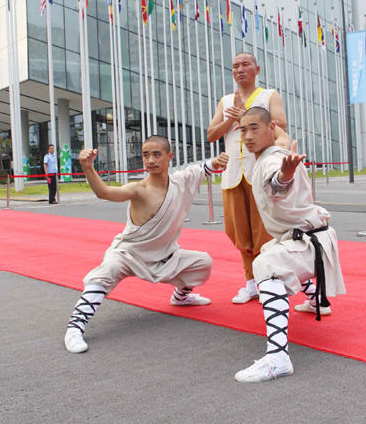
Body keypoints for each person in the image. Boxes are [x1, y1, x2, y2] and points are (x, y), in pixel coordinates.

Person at [64, 135, 229, 354]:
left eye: (156, 154)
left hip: (166, 256)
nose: (150, 160)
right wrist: (88, 168)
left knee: (203, 262)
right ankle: (75, 327)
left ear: (170, 157)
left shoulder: (180, 180)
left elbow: (203, 168)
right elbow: (104, 192)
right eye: (145, 154)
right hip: (128, 254)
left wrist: (218, 161)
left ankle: (181, 297)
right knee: (105, 272)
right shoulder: (138, 189)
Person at [234, 107, 345, 382]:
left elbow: (278, 183)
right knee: (270, 250)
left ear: (271, 128)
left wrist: (284, 176)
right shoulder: (268, 155)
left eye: (254, 128)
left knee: (265, 265)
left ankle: (278, 357)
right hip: (306, 238)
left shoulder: (275, 159)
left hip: (310, 244)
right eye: (243, 129)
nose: (248, 135)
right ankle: (316, 300)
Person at [207, 52, 289, 304]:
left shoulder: (269, 96)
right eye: (235, 66)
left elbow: (281, 125)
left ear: (257, 69)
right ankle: (251, 283)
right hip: (233, 172)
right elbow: (211, 134)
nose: (240, 69)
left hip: (261, 170)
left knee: (264, 230)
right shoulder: (225, 100)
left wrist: (246, 115)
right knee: (238, 230)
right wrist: (231, 118)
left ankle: (270, 281)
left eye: (245, 64)